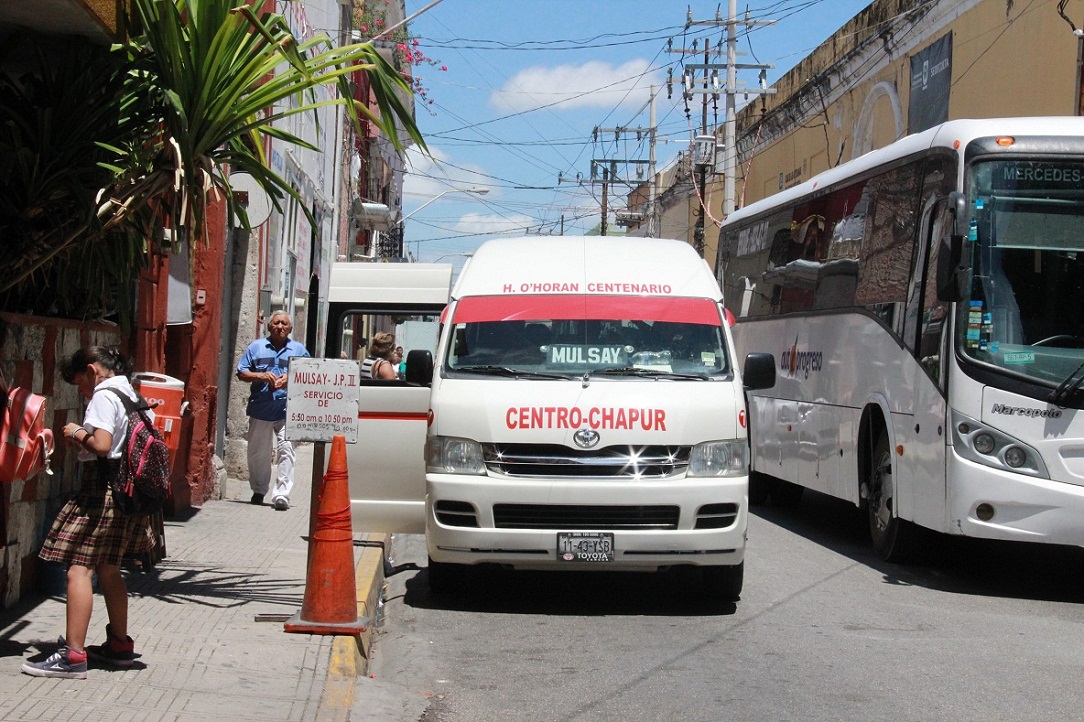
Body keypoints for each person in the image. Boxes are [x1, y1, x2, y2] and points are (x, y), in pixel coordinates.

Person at [21, 346, 157, 679]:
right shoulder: (134, 396)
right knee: (109, 569)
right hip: (128, 496)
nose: (82, 391)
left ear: (93, 371)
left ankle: (73, 655)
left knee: (78, 570)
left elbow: (102, 445)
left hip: (102, 492)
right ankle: (120, 644)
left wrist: (74, 431)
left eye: (81, 383)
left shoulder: (104, 395)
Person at [236, 310, 310, 510]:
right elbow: (241, 372)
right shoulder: (256, 347)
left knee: (287, 450)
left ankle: (282, 494)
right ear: (269, 326)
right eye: (276, 323)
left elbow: (310, 373)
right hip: (261, 408)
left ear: (290, 328)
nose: (280, 327)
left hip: (287, 410)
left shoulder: (299, 349)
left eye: (284, 324)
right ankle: (259, 490)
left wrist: (290, 377)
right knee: (258, 453)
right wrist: (261, 376)